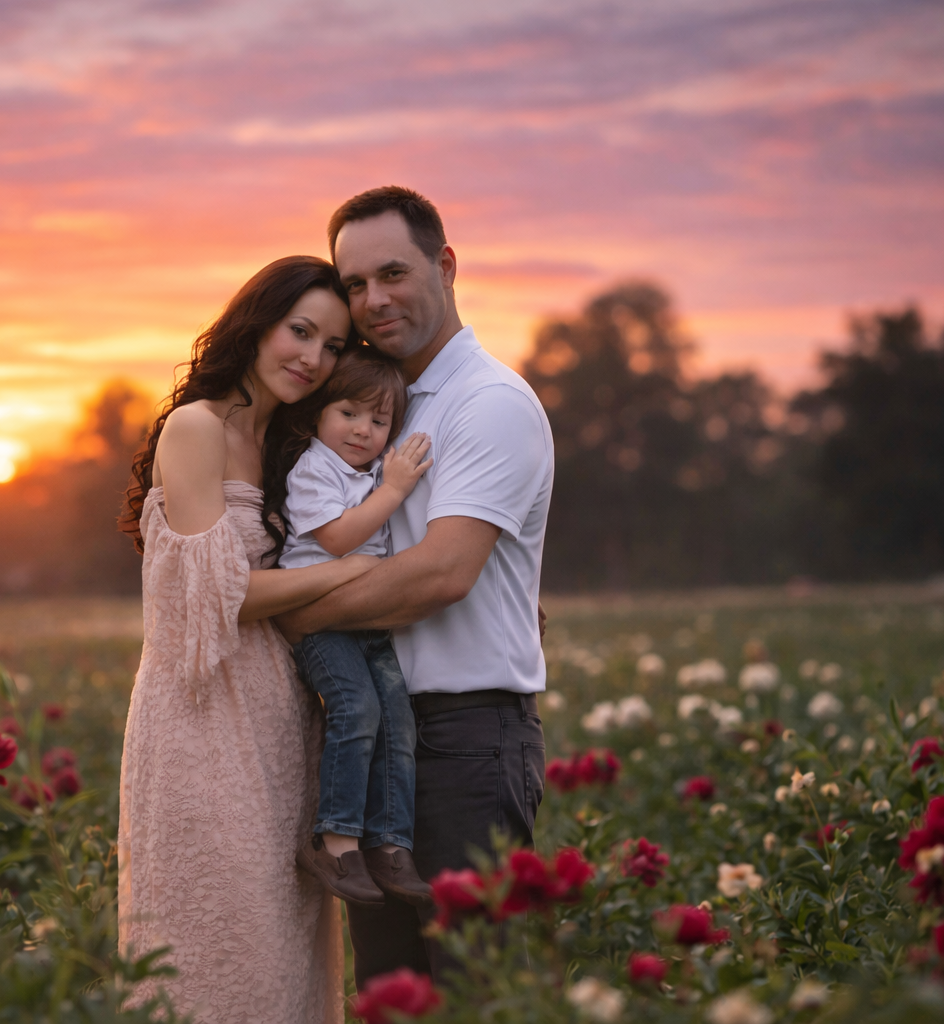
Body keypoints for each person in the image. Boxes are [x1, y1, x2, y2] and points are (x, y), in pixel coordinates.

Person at [276, 186, 555, 985]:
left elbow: (442, 572)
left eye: (393, 273)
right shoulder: (372, 405)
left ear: (446, 264)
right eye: (355, 284)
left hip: (463, 740)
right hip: (376, 739)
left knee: (478, 989)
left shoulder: (487, 401)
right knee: (392, 994)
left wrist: (291, 613)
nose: (373, 300)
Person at [116, 255, 377, 1023]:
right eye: (300, 332)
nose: (313, 358)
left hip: (280, 721)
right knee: (218, 947)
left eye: (333, 346)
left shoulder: (296, 443)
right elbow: (218, 600)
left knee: (288, 957)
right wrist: (352, 575)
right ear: (256, 323)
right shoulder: (196, 427)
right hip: (200, 717)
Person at [272, 347, 436, 907]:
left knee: (397, 720)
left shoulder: (370, 471)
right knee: (357, 709)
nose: (363, 430)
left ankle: (389, 844)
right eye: (349, 412)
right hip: (323, 622)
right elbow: (339, 539)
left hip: (367, 620)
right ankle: (335, 841)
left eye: (379, 420)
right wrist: (393, 490)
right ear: (320, 412)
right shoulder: (314, 468)